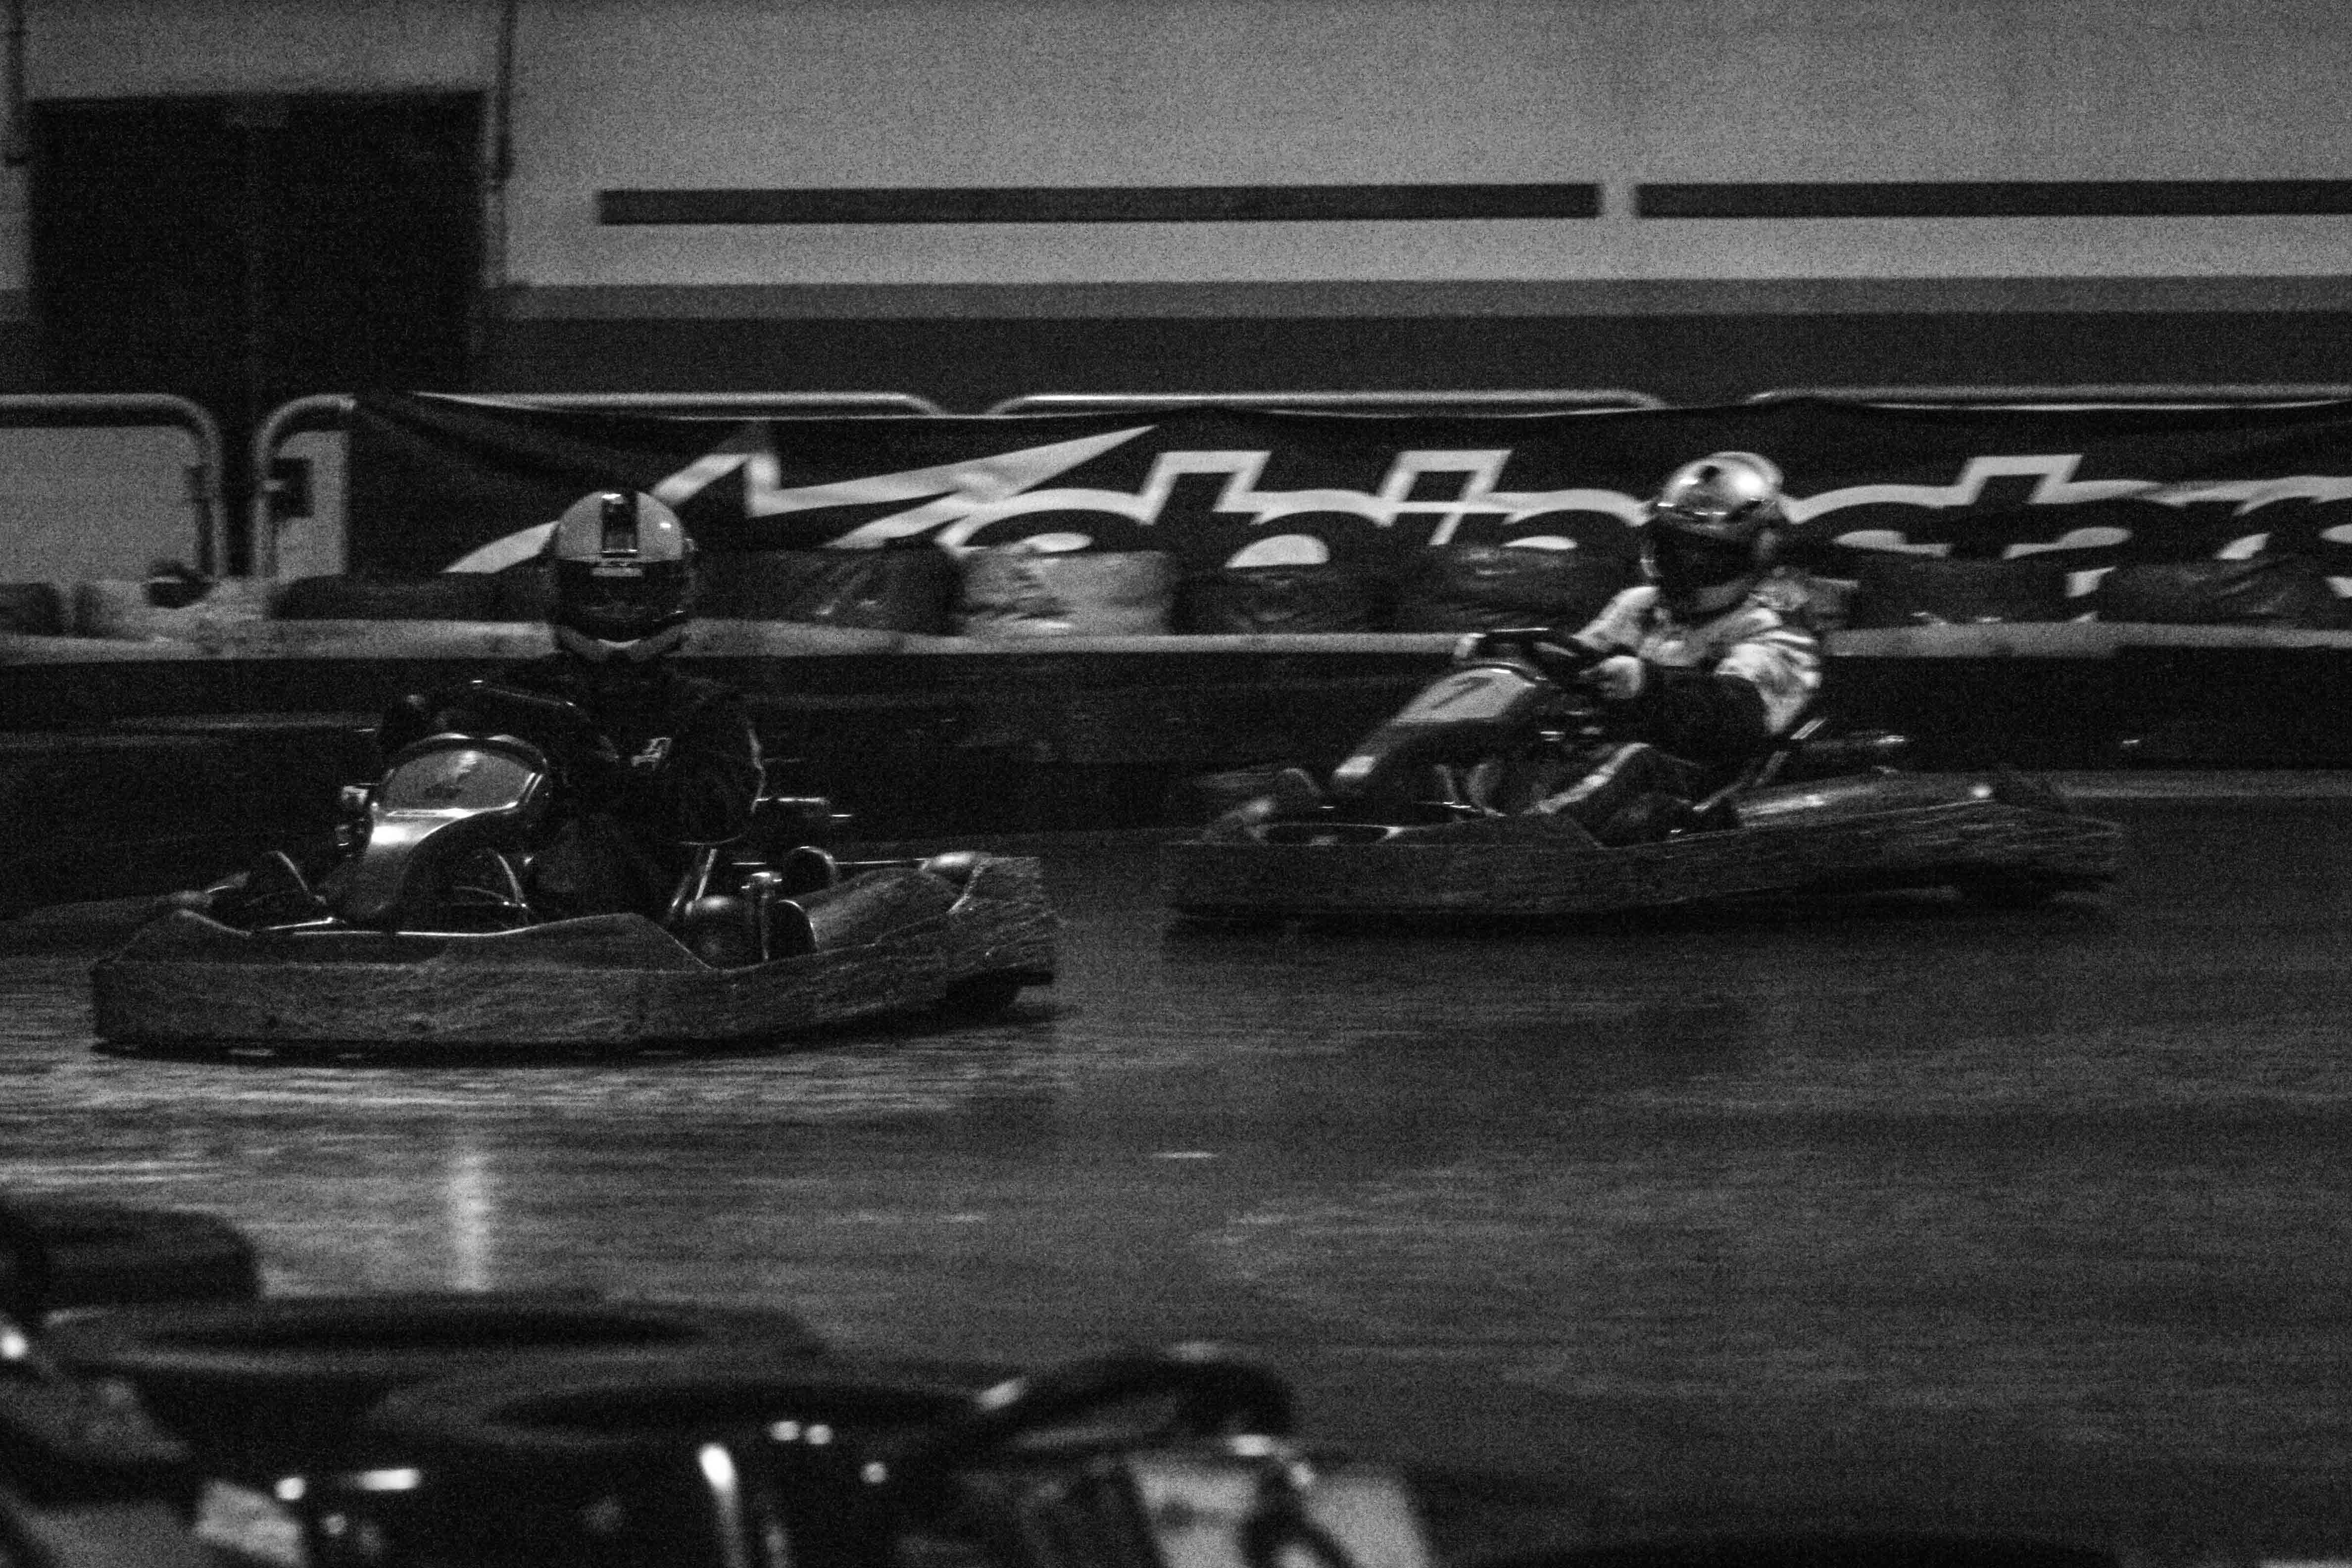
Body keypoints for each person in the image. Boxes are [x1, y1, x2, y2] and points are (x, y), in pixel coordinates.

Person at [374, 490, 765, 920]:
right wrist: (418, 735)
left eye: (636, 597)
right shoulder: (511, 693)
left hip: (634, 918)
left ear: (675, 594)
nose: (618, 611)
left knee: (587, 836)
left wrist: (615, 782)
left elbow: (719, 819)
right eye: (598, 596)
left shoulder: (705, 709)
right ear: (560, 592)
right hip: (499, 878)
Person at [1483, 451, 1827, 841]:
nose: (1685, 562)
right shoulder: (1640, 605)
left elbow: (1738, 713)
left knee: (1637, 760)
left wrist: (1648, 685)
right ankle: (1446, 819)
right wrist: (1506, 658)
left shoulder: (1776, 629)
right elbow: (1577, 657)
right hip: (1605, 757)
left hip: (1701, 784)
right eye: (1675, 546)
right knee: (1515, 739)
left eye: (1704, 553)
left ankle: (1513, 843)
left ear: (1755, 552)